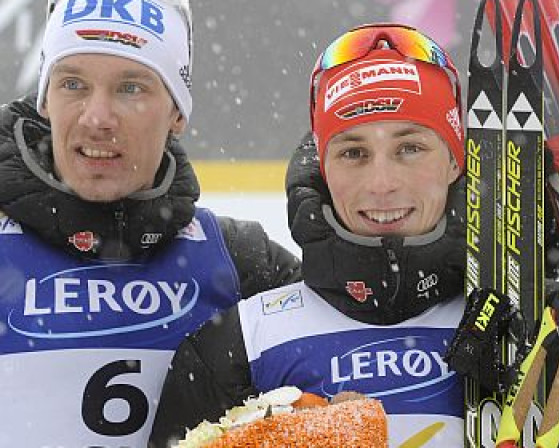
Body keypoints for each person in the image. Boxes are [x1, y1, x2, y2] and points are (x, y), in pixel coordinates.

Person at [148, 23, 467, 446]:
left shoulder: (537, 326)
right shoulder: (241, 343)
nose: (382, 182)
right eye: (353, 152)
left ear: (454, 159)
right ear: (322, 165)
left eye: (409, 148)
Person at [0, 0, 300, 446]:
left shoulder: (243, 262)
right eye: (73, 84)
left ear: (177, 112)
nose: (97, 118)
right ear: (45, 99)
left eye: (130, 88)